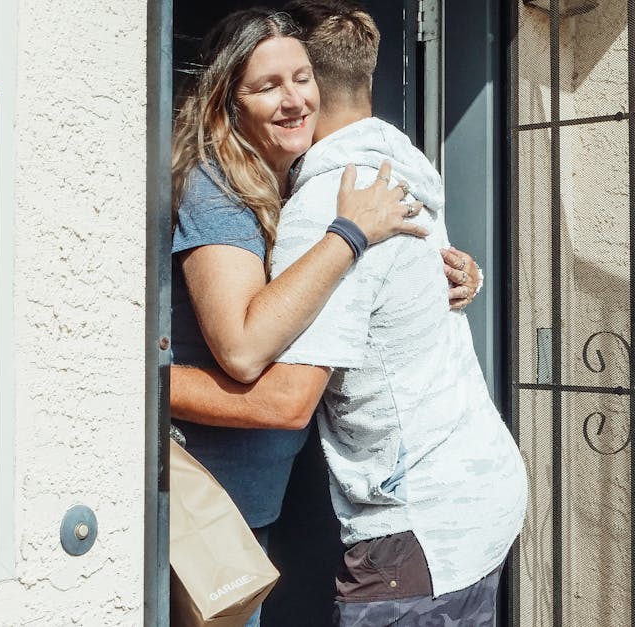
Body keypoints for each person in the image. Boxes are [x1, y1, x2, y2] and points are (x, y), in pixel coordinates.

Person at [177, 2, 528, 624]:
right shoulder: (383, 178)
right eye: (268, 85)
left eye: (300, 79)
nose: (292, 100)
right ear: (229, 102)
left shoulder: (332, 192)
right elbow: (261, 372)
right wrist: (350, 233)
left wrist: (445, 275)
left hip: (419, 519)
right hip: (455, 500)